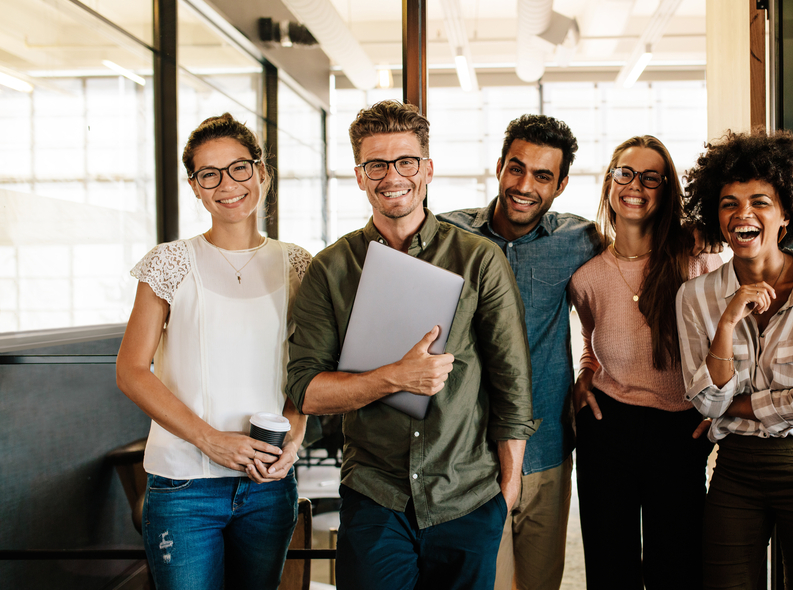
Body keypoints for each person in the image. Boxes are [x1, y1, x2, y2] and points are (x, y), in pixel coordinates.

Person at [285, 100, 538, 590]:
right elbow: (306, 391)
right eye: (376, 164)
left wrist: (506, 492)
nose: (391, 176)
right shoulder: (331, 270)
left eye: (405, 161)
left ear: (427, 169)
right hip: (375, 495)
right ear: (359, 175)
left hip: (465, 493)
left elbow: (512, 385)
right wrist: (393, 379)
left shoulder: (479, 260)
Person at [115, 113, 309, 590]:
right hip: (183, 488)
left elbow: (310, 368)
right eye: (210, 174)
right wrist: (209, 439)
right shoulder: (169, 262)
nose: (228, 185)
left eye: (239, 168)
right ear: (195, 187)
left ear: (261, 172)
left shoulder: (298, 264)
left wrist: (295, 436)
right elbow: (132, 370)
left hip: (267, 484)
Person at [677, 129, 793, 590]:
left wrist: (730, 405)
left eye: (759, 202)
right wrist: (728, 319)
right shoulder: (695, 296)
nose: (743, 214)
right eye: (729, 204)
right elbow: (702, 401)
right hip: (735, 471)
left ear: (786, 214)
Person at [439, 114, 603, 590]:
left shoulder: (581, 240)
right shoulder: (449, 237)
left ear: (562, 184)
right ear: (499, 167)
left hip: (547, 447)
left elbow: (630, 280)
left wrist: (593, 364)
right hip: (466, 455)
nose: (524, 185)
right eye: (517, 168)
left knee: (538, 582)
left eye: (543, 175)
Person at [567, 135, 721, 590]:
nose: (636, 185)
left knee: (675, 566)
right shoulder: (587, 275)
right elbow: (590, 342)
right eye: (626, 173)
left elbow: (730, 341)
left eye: (651, 177)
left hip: (680, 430)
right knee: (609, 566)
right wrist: (584, 374)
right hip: (608, 428)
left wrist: (720, 412)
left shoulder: (698, 258)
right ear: (610, 183)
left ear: (665, 188)